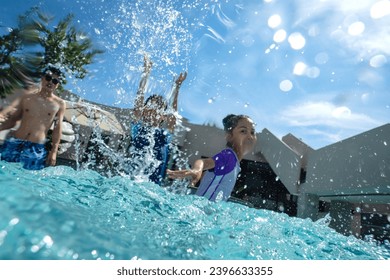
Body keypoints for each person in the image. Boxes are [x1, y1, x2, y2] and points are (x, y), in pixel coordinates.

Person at [167, 114, 257, 202]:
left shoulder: (235, 163)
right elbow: (203, 162)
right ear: (229, 136)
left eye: (252, 132)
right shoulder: (229, 156)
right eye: (243, 131)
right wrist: (197, 170)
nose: (250, 136)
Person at [127, 55, 187, 185]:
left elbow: (173, 113)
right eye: (150, 106)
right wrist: (146, 73)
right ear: (143, 110)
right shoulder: (137, 127)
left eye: (158, 107)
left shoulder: (165, 133)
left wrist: (177, 88)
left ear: (163, 116)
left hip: (154, 187)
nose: (153, 110)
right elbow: (139, 96)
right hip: (133, 180)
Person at [0, 66, 66, 170]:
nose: (50, 82)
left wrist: (54, 151)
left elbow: (58, 128)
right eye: (48, 78)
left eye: (55, 80)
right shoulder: (27, 97)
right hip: (15, 142)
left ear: (57, 85)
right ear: (42, 78)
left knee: (26, 180)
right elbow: (13, 120)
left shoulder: (59, 104)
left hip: (36, 148)